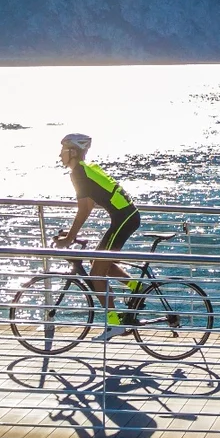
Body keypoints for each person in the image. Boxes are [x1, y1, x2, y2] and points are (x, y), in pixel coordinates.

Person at [56, 134, 142, 340]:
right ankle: (138, 287)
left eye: (63, 150)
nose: (59, 155)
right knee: (99, 262)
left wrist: (69, 239)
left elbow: (84, 209)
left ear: (73, 152)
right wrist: (71, 233)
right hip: (124, 217)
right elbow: (88, 205)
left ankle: (114, 323)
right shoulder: (85, 170)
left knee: (96, 274)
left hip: (124, 218)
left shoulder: (79, 172)